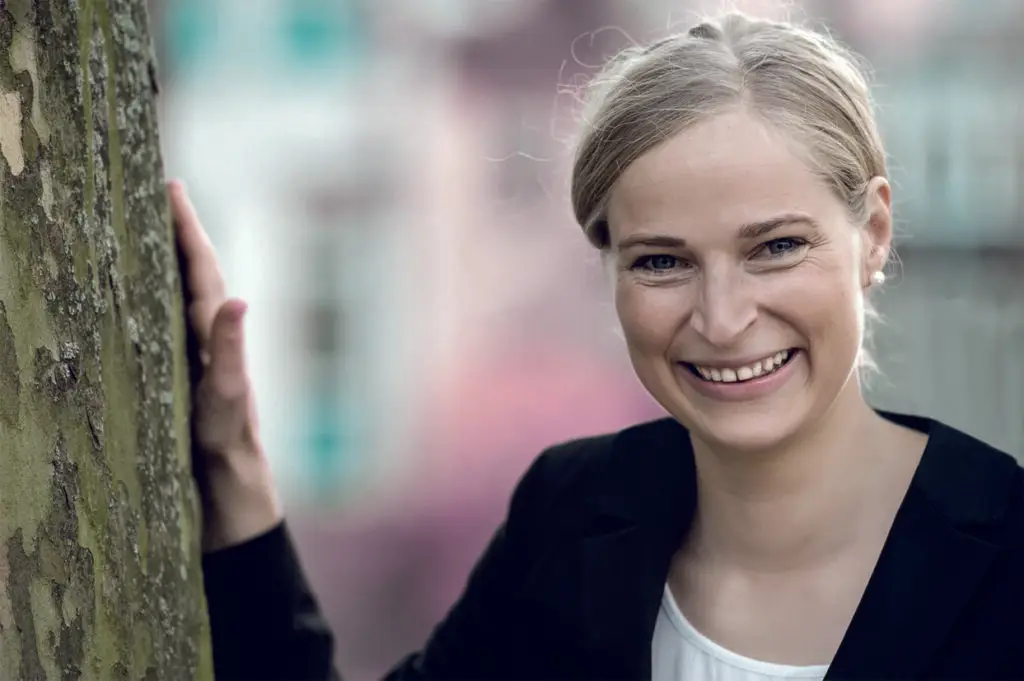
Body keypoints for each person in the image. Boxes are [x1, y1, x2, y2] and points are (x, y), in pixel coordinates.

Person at [173, 11, 1024, 681]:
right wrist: (236, 459)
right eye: (662, 261)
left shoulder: (1007, 556)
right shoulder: (573, 518)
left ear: (873, 232)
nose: (723, 318)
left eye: (775, 247)